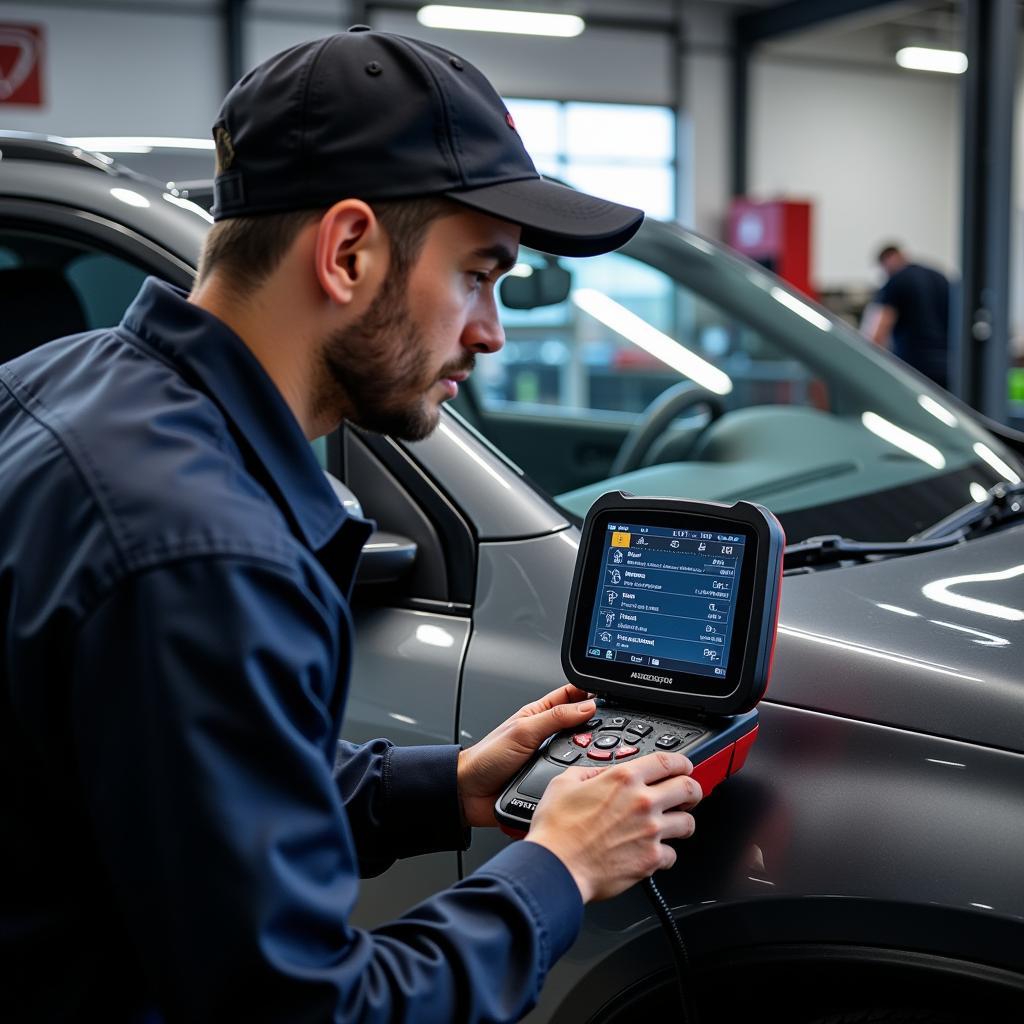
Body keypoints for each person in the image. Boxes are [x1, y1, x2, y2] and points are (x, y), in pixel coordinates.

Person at [0, 28, 703, 1023]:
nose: (492, 332)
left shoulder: (59, 385)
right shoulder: (204, 551)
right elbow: (308, 1007)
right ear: (347, 251)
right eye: (479, 274)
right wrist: (557, 867)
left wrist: (446, 784)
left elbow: (167, 785)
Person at [865, 243, 951, 388]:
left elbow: (879, 330)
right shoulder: (939, 277)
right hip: (947, 365)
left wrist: (864, 363)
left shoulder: (897, 281)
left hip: (914, 367)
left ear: (888, 260)